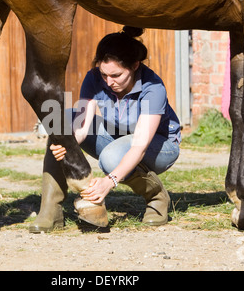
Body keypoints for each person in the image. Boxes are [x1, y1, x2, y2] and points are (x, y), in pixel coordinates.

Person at [50, 26, 181, 226]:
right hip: (119, 137)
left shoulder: (153, 88)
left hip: (160, 146)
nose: (109, 82)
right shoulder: (94, 78)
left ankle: (156, 197)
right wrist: (67, 145)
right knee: (65, 120)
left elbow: (139, 145)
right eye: (104, 74)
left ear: (135, 66)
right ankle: (54, 206)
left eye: (116, 76)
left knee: (111, 158)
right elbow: (81, 127)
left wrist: (109, 182)